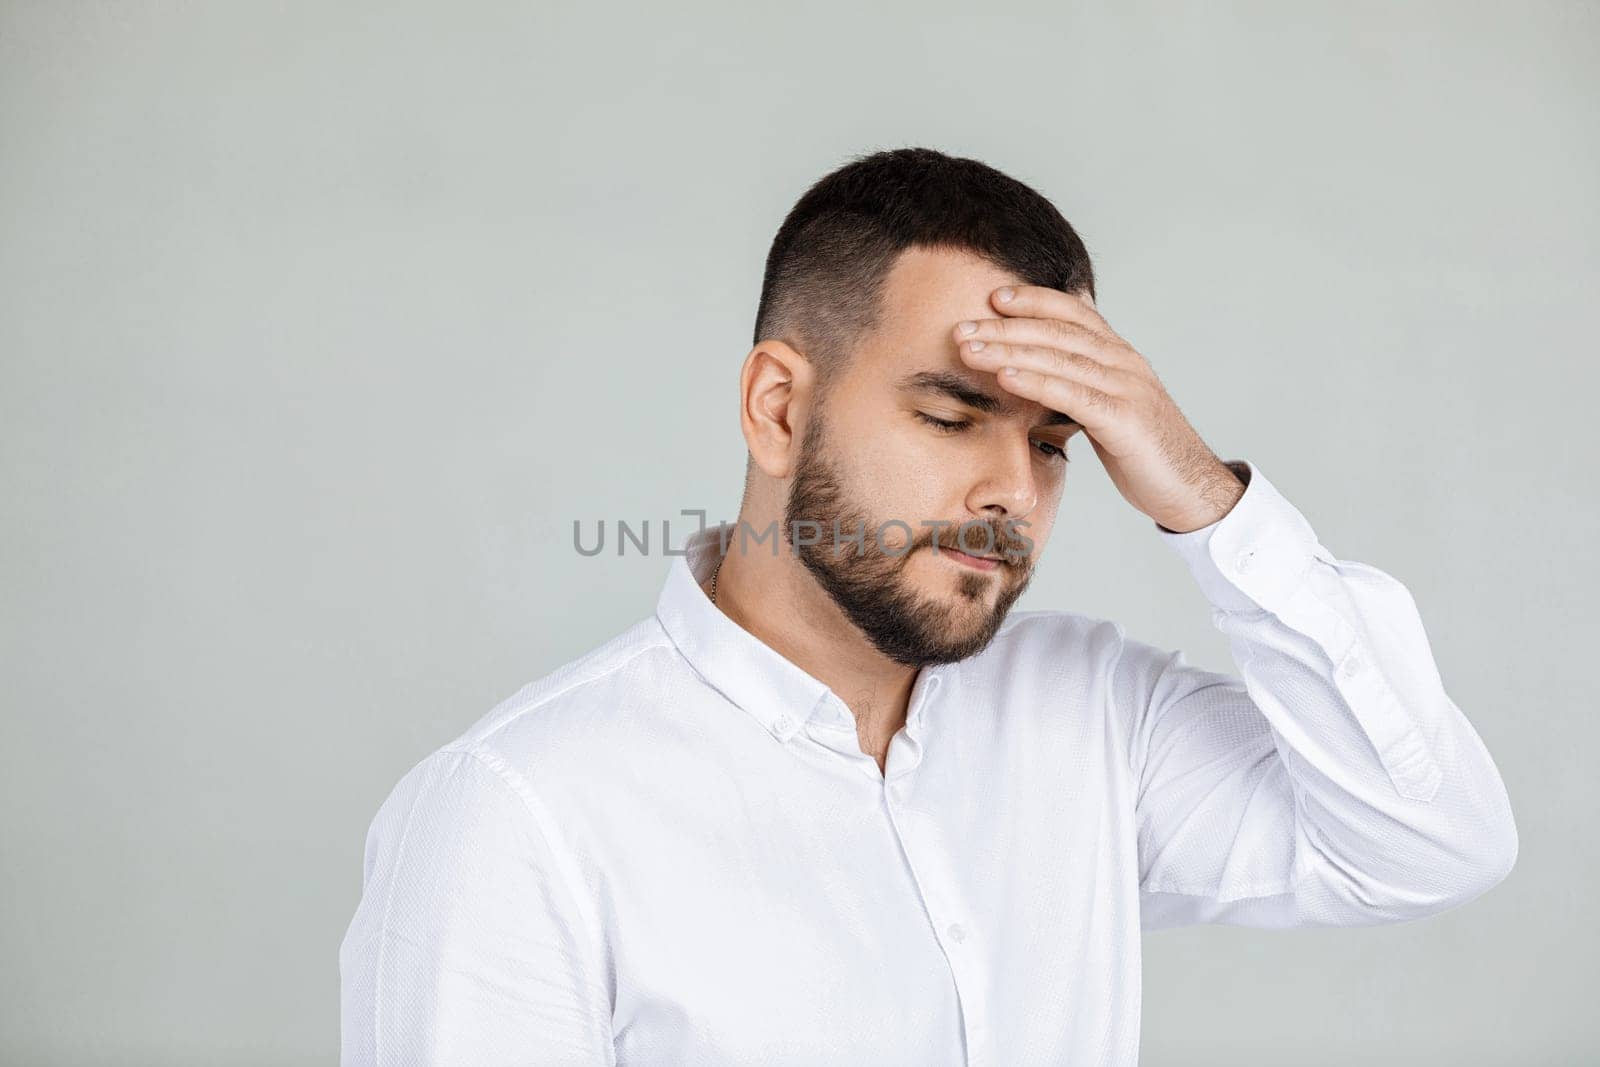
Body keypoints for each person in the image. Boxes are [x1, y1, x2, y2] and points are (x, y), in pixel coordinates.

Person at [338, 147, 1517, 1065]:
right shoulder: (519, 815)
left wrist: (1204, 495)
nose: (1011, 490)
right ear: (777, 409)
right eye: (950, 419)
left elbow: (1427, 841)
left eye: (1057, 442)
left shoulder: (1093, 721)